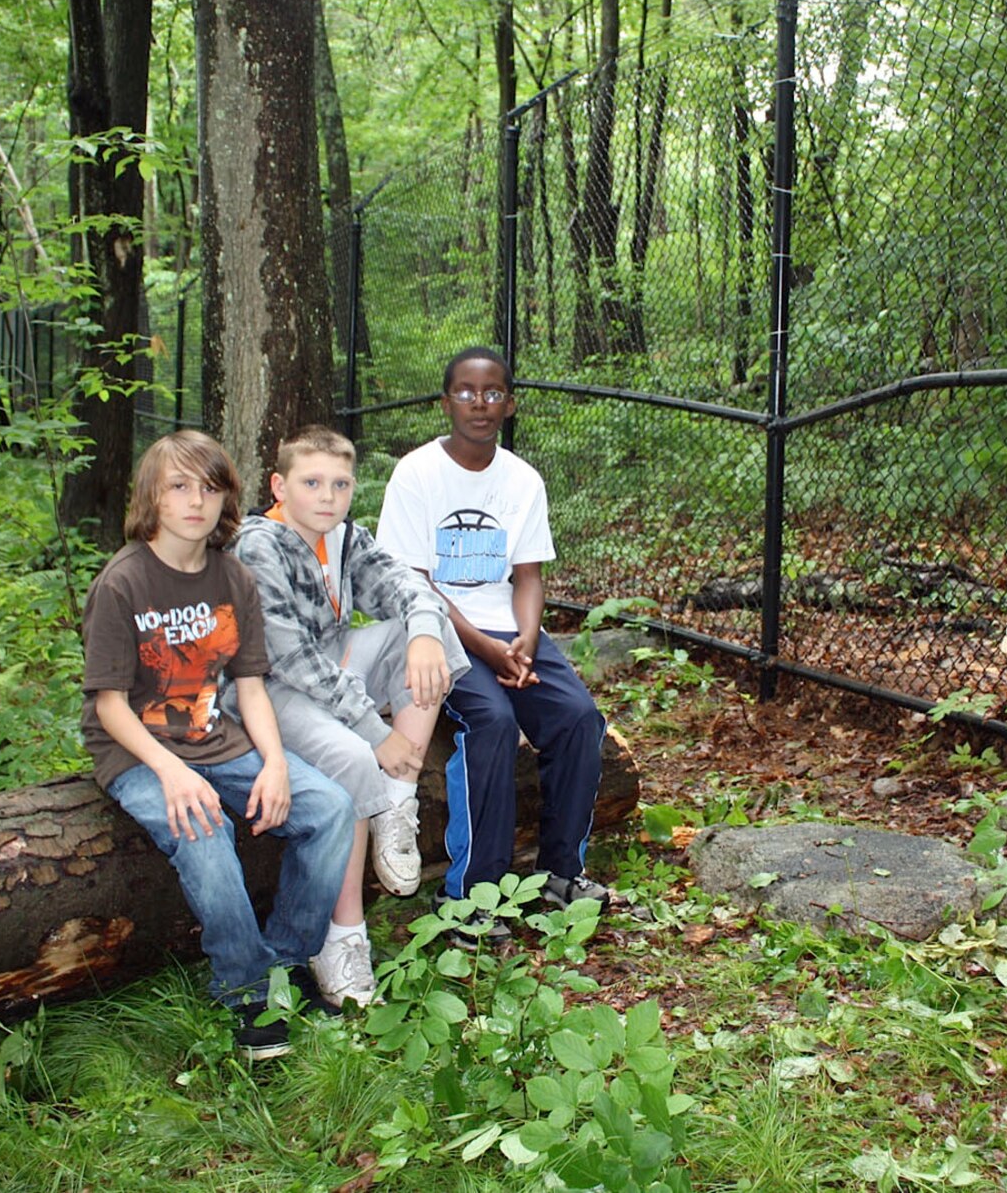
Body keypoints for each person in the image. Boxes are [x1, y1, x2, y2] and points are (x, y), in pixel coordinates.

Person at [80, 430, 353, 1060]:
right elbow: (109, 705)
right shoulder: (121, 583)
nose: (195, 502)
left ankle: (283, 964)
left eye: (210, 488)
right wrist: (171, 775)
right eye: (179, 487)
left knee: (332, 808)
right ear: (152, 495)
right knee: (203, 827)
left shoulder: (233, 577)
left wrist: (278, 765)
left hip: (215, 738)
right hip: (138, 751)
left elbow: (251, 686)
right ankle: (245, 991)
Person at [224, 425, 467, 1005]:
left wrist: (426, 632)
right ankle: (341, 937)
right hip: (267, 690)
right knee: (356, 759)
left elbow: (406, 589)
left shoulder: (346, 538)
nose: (327, 496)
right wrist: (375, 732)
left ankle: (398, 800)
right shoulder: (259, 545)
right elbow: (290, 659)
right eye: (311, 483)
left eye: (340, 483)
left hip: (329, 670)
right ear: (280, 486)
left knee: (435, 642)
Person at [375, 346, 613, 927]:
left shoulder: (523, 480)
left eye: (491, 393)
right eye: (464, 391)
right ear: (445, 401)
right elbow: (413, 582)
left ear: (509, 403)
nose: (478, 404)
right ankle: (471, 898)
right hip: (436, 631)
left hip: (510, 632)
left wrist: (527, 641)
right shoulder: (417, 473)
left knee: (579, 718)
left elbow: (528, 576)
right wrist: (484, 647)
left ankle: (561, 873)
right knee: (492, 721)